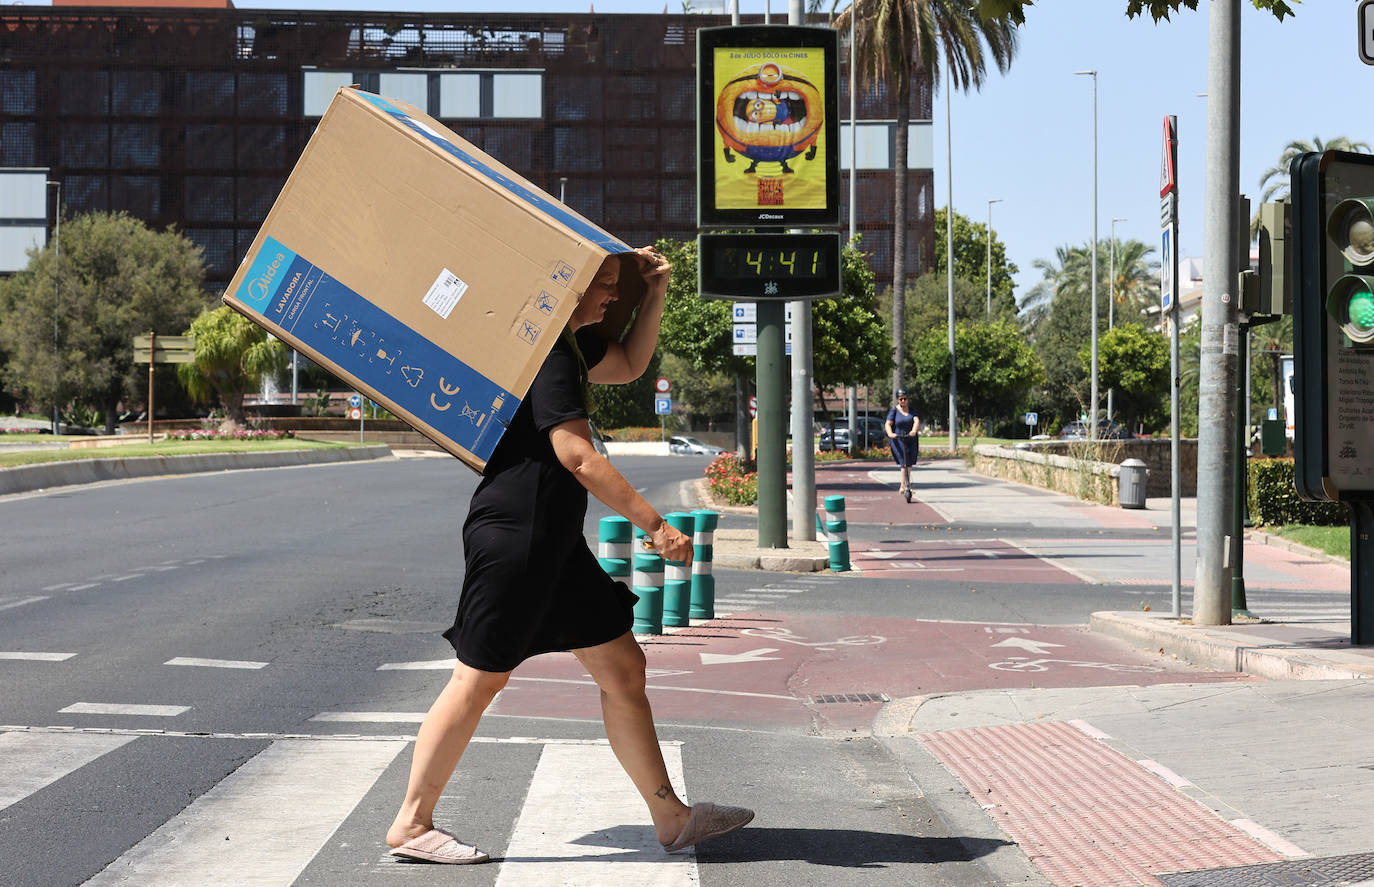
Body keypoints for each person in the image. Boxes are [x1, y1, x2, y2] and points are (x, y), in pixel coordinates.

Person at [385, 246, 754, 864]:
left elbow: (630, 364)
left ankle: (671, 818)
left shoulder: (573, 348)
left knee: (623, 669)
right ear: (564, 288)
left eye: (615, 282)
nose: (613, 293)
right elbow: (577, 455)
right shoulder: (549, 354)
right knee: (479, 678)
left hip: (553, 542)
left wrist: (654, 292)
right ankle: (411, 824)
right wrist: (656, 525)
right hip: (520, 537)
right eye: (603, 283)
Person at [885, 388, 920, 503]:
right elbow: (888, 424)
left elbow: (916, 421)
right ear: (897, 400)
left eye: (905, 399)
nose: (903, 401)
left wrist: (914, 430)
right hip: (898, 439)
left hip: (911, 438)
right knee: (903, 462)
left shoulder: (912, 410)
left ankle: (907, 484)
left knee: (909, 462)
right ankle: (903, 485)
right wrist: (890, 434)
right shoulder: (894, 411)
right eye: (901, 399)